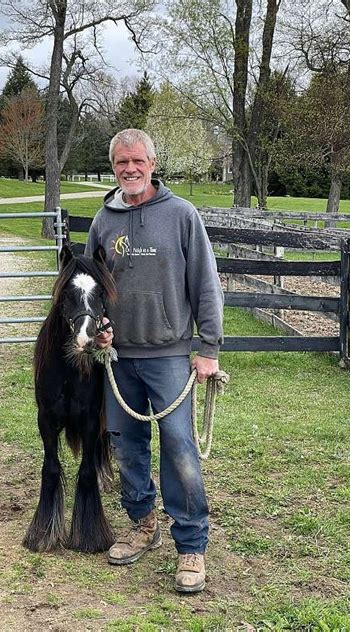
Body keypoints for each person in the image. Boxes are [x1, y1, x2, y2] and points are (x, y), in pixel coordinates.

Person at [84, 128, 223, 593]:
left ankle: (191, 545)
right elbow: (91, 288)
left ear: (153, 163)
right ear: (114, 166)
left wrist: (208, 348)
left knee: (180, 447)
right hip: (119, 357)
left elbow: (206, 284)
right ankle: (143, 523)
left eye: (137, 161)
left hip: (169, 356)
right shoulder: (103, 221)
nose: (130, 169)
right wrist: (96, 328)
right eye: (121, 162)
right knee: (126, 447)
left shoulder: (182, 215)